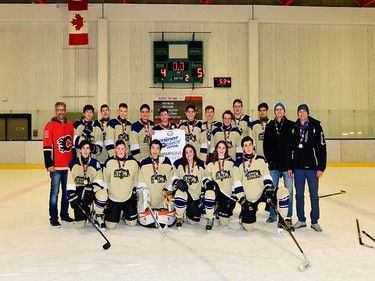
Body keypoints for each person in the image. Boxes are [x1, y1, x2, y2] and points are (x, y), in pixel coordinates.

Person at [233, 136, 290, 232]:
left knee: (284, 192)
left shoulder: (261, 159)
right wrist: (243, 200)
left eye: (250, 145)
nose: (248, 148)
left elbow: (266, 175)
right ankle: (244, 214)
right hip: (249, 199)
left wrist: (268, 187)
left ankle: (282, 220)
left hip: (262, 192)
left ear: (253, 146)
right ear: (242, 148)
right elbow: (237, 183)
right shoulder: (238, 163)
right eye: (246, 146)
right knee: (249, 228)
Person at [287, 104, 327, 232]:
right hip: (298, 168)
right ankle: (301, 220)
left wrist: (321, 167)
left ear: (308, 113)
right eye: (300, 111)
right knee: (299, 195)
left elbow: (322, 148)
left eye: (304, 111)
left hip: (312, 169)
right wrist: (290, 167)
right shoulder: (294, 128)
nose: (302, 114)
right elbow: (290, 150)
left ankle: (315, 221)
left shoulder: (316, 127)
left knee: (314, 195)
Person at [43, 101, 74, 227]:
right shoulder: (49, 126)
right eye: (58, 110)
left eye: (62, 110)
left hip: (68, 166)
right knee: (54, 193)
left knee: (67, 193)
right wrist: (49, 164)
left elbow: (72, 146)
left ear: (65, 111)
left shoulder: (71, 125)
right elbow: (46, 146)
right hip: (55, 167)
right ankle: (53, 217)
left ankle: (64, 215)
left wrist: (74, 163)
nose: (60, 112)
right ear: (55, 111)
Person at [263, 102, 294, 225]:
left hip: (287, 165)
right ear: (274, 112)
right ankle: (272, 214)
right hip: (274, 165)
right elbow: (266, 145)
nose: (279, 111)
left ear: (284, 111)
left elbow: (293, 146)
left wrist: (291, 163)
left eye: (281, 109)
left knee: (289, 191)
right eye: (277, 109)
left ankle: (288, 215)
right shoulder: (270, 126)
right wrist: (270, 160)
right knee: (272, 190)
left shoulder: (291, 125)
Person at [67, 140, 108, 230]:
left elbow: (99, 180)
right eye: (83, 148)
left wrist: (92, 187)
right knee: (79, 225)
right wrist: (72, 198)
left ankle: (97, 214)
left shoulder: (95, 163)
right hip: (79, 193)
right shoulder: (73, 163)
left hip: (91, 191)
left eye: (88, 148)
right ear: (80, 150)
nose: (85, 151)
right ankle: (86, 211)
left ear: (90, 150)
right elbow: (70, 183)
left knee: (103, 193)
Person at [137, 139, 176, 228]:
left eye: (157, 148)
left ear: (160, 150)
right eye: (153, 148)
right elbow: (141, 184)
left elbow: (169, 184)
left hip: (162, 202)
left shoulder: (166, 161)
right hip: (149, 202)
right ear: (150, 149)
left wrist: (168, 203)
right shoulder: (143, 162)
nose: (155, 151)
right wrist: (145, 203)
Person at [103, 140, 139, 229]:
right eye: (118, 149)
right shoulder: (109, 162)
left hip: (128, 197)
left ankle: (123, 214)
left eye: (123, 149)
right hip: (113, 198)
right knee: (110, 226)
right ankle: (116, 212)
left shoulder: (133, 162)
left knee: (132, 223)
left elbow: (136, 179)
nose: (121, 151)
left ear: (126, 150)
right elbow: (105, 180)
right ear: (115, 150)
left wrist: (134, 194)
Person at [203, 140, 236, 232]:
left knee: (224, 223)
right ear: (216, 149)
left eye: (223, 148)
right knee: (209, 192)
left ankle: (219, 208)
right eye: (219, 147)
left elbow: (235, 179)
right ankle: (210, 218)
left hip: (227, 193)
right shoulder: (211, 163)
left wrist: (234, 194)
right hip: (216, 191)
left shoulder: (232, 163)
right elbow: (205, 177)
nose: (221, 150)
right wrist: (208, 183)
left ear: (226, 150)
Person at [172, 144, 206, 229]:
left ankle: (188, 210)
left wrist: (202, 197)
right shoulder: (178, 163)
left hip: (195, 196)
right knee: (180, 194)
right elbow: (173, 176)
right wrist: (178, 183)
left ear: (194, 152)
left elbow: (204, 179)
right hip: (184, 193)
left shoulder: (201, 164)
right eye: (186, 152)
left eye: (190, 151)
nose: (189, 154)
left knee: (193, 221)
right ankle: (179, 216)